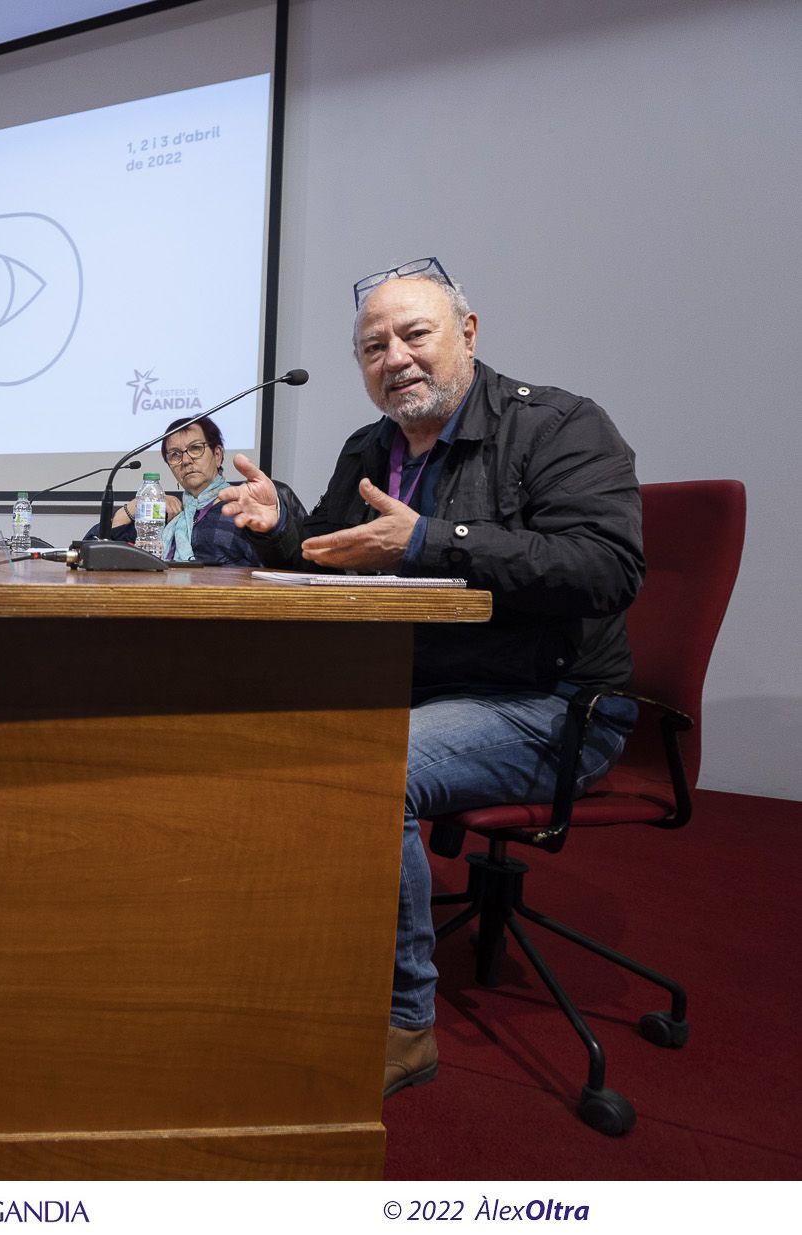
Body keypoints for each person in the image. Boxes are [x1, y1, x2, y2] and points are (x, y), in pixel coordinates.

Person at [216, 258, 644, 1097]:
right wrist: (279, 531)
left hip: (553, 703)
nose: (396, 358)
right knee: (252, 731)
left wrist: (429, 540)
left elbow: (607, 567)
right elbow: (336, 566)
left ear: (468, 334)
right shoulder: (369, 447)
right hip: (423, 685)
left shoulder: (560, 425)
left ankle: (403, 1020)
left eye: (415, 334)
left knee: (372, 769)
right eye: (374, 346)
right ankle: (297, 950)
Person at [97, 414, 299, 563]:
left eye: (195, 448)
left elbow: (291, 560)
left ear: (217, 455)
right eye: (175, 454)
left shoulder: (244, 505)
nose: (185, 460)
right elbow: (96, 548)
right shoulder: (169, 512)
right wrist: (133, 508)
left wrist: (275, 527)